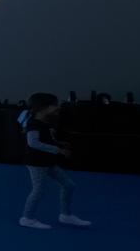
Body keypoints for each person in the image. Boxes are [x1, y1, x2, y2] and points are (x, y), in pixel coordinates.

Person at [18, 92, 90, 229]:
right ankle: (27, 218)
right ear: (42, 108)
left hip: (47, 161)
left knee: (69, 185)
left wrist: (59, 143)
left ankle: (66, 215)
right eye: (54, 105)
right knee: (39, 190)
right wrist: (58, 150)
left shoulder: (46, 123)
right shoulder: (34, 124)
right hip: (36, 163)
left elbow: (48, 139)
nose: (57, 108)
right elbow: (33, 143)